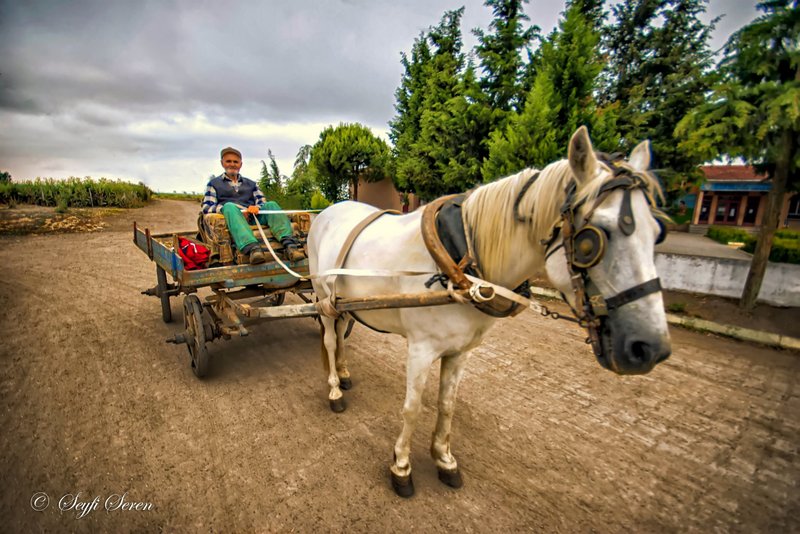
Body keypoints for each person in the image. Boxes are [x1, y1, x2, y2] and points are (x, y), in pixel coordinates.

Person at [202, 147, 305, 264]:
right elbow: (207, 207)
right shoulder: (214, 184)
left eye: (235, 162)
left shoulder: (251, 184)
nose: (232, 164)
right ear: (222, 163)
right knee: (229, 206)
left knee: (272, 205)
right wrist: (234, 211)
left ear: (240, 164)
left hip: (253, 217)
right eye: (228, 161)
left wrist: (257, 208)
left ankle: (290, 246)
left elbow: (261, 201)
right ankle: (253, 249)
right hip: (232, 220)